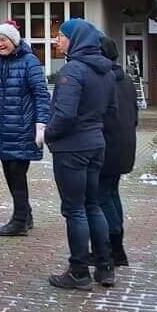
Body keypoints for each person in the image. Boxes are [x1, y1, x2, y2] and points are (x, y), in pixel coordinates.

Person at [44, 18, 117, 292]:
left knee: (74, 209)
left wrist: (48, 134)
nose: (56, 41)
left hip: (71, 148)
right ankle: (104, 267)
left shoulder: (72, 71)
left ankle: (78, 271)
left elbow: (64, 115)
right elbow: (112, 111)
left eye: (61, 36)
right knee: (92, 205)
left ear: (75, 40)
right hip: (95, 144)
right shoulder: (106, 71)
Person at [0, 21, 49, 237]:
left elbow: (41, 94)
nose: (0, 44)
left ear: (14, 40)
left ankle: (20, 220)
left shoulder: (29, 61)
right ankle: (26, 215)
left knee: (17, 174)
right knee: (9, 173)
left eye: (3, 40)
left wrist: (41, 124)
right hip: (4, 129)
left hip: (23, 128)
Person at [99, 35, 139, 270]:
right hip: (125, 146)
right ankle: (117, 247)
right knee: (112, 194)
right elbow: (134, 115)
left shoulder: (105, 80)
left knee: (103, 196)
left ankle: (113, 248)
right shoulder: (126, 80)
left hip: (107, 146)